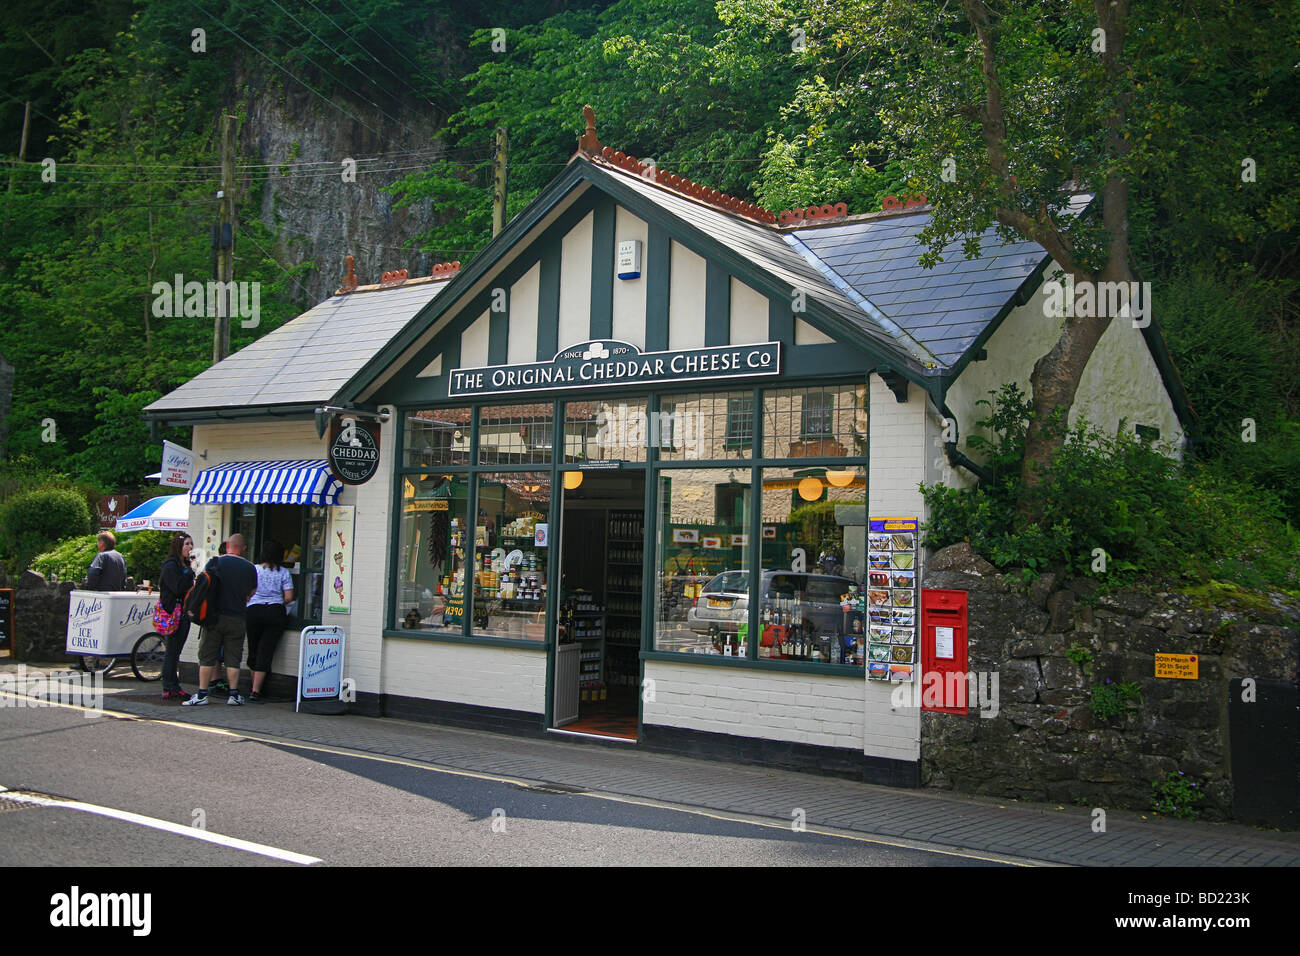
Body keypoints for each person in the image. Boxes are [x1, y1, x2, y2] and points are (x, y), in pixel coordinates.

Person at [183, 533, 257, 707]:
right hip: (237, 617)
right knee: (233, 658)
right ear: (243, 548)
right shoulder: (250, 568)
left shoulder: (215, 563)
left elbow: (203, 585)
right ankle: (234, 694)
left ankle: (202, 694)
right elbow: (252, 592)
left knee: (207, 656)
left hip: (214, 617)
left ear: (227, 546)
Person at [245, 539, 294, 703]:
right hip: (275, 611)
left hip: (254, 610)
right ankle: (256, 691)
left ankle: (253, 686)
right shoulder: (284, 572)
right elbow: (289, 597)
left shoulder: (253, 569)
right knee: (265, 651)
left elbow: (247, 592)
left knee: (253, 648)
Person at [158, 532, 196, 701]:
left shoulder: (184, 565)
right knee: (172, 651)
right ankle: (169, 686)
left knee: (176, 651)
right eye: (187, 544)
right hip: (173, 613)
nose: (190, 547)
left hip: (183, 612)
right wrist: (190, 572)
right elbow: (178, 587)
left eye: (191, 544)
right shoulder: (170, 565)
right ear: (178, 546)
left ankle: (174, 685)